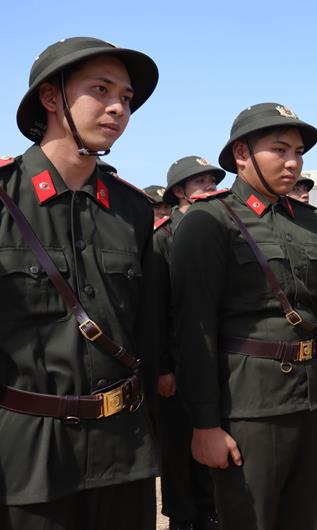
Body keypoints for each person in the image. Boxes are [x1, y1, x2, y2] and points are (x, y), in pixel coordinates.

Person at [0, 36, 160, 530]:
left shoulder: (133, 210)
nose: (118, 108)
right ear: (51, 97)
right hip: (28, 460)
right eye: (101, 90)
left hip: (124, 452)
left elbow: (151, 331)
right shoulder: (4, 199)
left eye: (126, 97)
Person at [170, 103, 317, 530]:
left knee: (303, 519)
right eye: (279, 150)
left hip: (306, 399)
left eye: (298, 152)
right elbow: (193, 331)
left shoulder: (307, 222)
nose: (292, 162)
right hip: (249, 406)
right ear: (241, 154)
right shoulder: (210, 220)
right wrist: (205, 424)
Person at [153, 156, 225, 530]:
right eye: (200, 182)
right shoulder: (163, 237)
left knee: (212, 431)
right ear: (179, 191)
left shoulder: (220, 227)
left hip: (213, 356)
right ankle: (182, 515)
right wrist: (163, 367)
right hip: (178, 361)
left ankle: (210, 507)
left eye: (212, 180)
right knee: (178, 444)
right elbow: (157, 309)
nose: (210, 187)